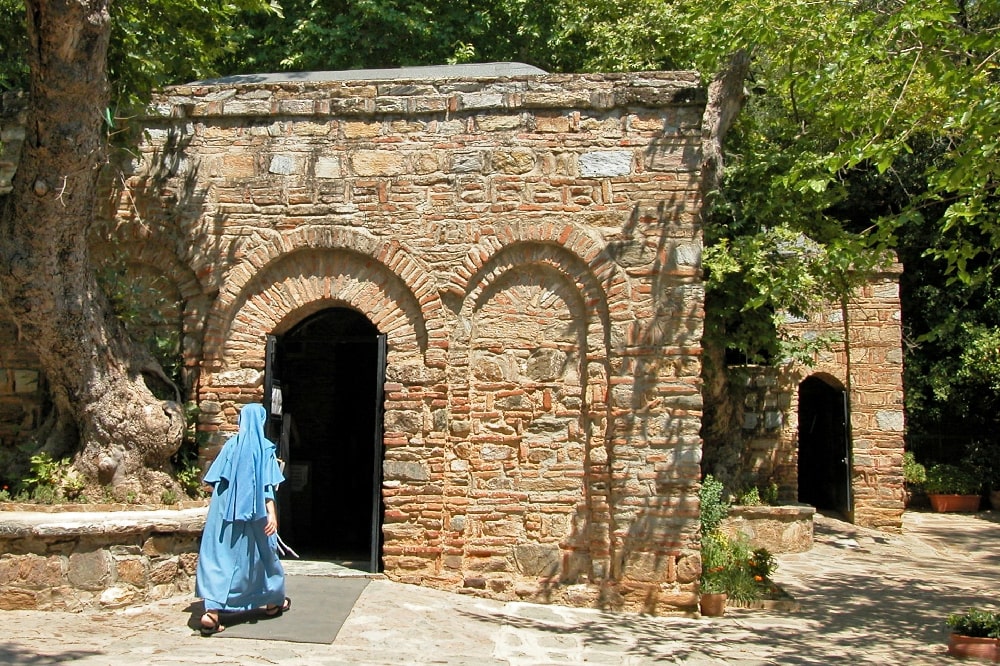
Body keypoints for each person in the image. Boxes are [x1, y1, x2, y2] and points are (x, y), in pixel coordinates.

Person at [196, 403, 290, 636]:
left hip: (224, 515)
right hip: (256, 515)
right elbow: (268, 487)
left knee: (220, 558)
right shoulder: (265, 449)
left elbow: (213, 481)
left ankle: (212, 613)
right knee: (262, 556)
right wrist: (272, 514)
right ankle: (271, 602)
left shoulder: (230, 447)